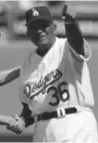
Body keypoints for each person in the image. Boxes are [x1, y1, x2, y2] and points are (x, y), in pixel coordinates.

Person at [7, 5, 98, 142]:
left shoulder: (66, 47)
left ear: (54, 27)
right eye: (33, 27)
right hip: (43, 132)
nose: (39, 30)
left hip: (75, 123)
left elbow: (77, 43)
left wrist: (71, 25)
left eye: (44, 25)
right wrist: (22, 120)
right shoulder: (27, 66)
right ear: (27, 32)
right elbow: (29, 109)